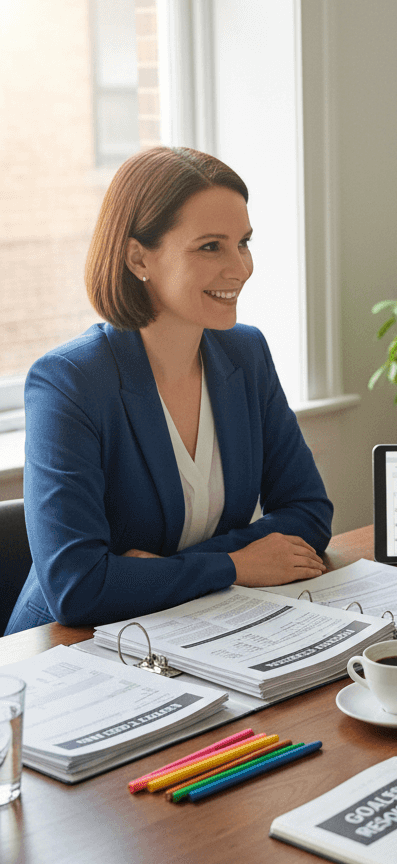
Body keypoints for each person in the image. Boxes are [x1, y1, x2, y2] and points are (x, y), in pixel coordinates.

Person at [6, 147, 332, 635]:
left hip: (193, 626)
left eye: (243, 242)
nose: (240, 267)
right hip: (68, 651)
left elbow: (309, 513)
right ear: (139, 257)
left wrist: (155, 570)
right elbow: (77, 588)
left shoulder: (246, 354)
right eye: (210, 246)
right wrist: (237, 564)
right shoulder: (68, 383)